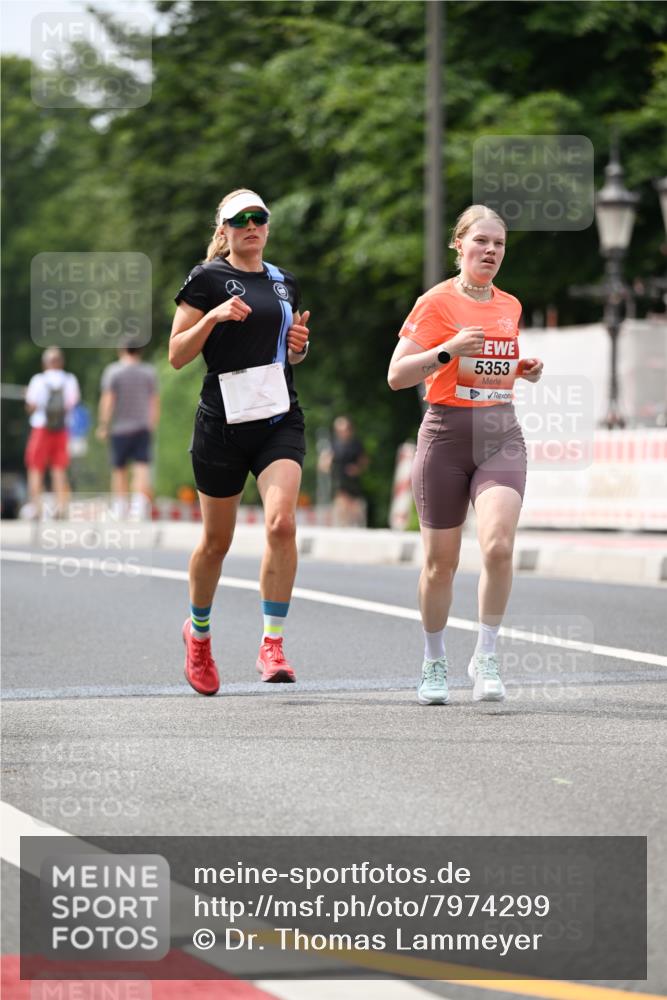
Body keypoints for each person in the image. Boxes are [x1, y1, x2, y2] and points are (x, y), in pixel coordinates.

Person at [387, 204, 543, 706]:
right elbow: (396, 375)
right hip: (445, 437)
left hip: (501, 432)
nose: (491, 251)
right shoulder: (434, 303)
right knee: (441, 564)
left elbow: (490, 370)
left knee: (497, 546)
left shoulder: (510, 306)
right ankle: (434, 661)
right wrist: (447, 348)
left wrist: (521, 369)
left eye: (499, 243)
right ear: (459, 244)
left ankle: (488, 653)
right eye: (481, 241)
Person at [170, 188, 310, 696]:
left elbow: (286, 355)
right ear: (224, 229)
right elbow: (177, 355)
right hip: (222, 425)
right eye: (240, 220)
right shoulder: (206, 279)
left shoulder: (283, 281)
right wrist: (212, 317)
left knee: (282, 522)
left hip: (278, 418)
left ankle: (272, 643)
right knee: (216, 543)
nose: (251, 226)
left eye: (259, 218)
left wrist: (299, 347)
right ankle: (199, 635)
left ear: (268, 226)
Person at [96, 342, 160, 518]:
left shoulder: (113, 371)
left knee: (119, 469)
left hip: (120, 428)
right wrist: (152, 423)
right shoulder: (149, 372)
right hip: (142, 426)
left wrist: (103, 424)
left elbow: (108, 399)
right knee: (142, 467)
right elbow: (154, 400)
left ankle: (120, 507)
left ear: (121, 350)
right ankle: (139, 507)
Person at [24, 347, 80, 519]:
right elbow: (73, 403)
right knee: (59, 468)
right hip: (62, 429)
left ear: (45, 363)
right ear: (61, 362)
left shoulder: (38, 380)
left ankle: (37, 508)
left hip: (41, 428)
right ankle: (61, 508)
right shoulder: (70, 380)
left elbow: (31, 407)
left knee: (35, 467)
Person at [318, 415, 368, 526]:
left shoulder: (356, 444)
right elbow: (323, 463)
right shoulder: (332, 444)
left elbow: (364, 461)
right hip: (338, 480)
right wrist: (327, 465)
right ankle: (343, 528)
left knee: (355, 508)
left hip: (353, 481)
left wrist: (357, 469)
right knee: (341, 505)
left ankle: (354, 527)